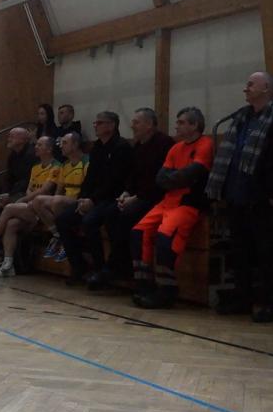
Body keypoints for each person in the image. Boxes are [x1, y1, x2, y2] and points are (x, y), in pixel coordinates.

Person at [206, 71, 273, 323]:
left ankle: (272, 303)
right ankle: (242, 297)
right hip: (237, 194)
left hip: (263, 195)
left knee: (268, 252)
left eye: (251, 84)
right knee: (240, 251)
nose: (245, 88)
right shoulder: (242, 117)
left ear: (266, 89)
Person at [131, 107, 213, 308]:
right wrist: (176, 179)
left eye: (181, 122)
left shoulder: (205, 144)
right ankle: (144, 283)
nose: (176, 126)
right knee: (138, 232)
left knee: (165, 237)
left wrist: (174, 179)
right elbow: (161, 178)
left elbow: (194, 173)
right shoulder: (176, 148)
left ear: (195, 125)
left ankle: (167, 290)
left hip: (188, 203)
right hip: (167, 202)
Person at [88, 107, 174, 289]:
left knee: (124, 216)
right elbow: (132, 176)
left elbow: (160, 180)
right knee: (111, 213)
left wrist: (135, 197)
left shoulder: (165, 144)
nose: (132, 126)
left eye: (136, 122)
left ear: (149, 125)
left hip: (156, 197)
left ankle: (118, 266)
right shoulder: (138, 146)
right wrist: (126, 193)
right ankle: (119, 266)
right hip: (137, 196)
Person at [0, 136, 61, 277]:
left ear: (49, 149)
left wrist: (23, 200)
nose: (36, 147)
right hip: (31, 208)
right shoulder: (35, 168)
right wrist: (26, 200)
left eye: (40, 145)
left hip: (44, 210)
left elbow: (45, 190)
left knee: (9, 208)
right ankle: (8, 265)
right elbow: (29, 189)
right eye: (36, 144)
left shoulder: (56, 167)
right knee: (11, 224)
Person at [56, 111, 134, 286]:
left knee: (90, 221)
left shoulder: (121, 147)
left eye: (99, 123)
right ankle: (79, 266)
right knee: (63, 219)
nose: (95, 126)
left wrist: (92, 200)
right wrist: (82, 198)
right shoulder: (97, 147)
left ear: (111, 125)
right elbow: (90, 178)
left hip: (112, 197)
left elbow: (115, 181)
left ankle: (101, 269)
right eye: (95, 122)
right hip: (94, 198)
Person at [31, 132, 89, 263]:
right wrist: (52, 200)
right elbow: (59, 189)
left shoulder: (86, 162)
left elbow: (88, 188)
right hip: (65, 200)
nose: (61, 146)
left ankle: (67, 237)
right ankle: (58, 235)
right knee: (38, 201)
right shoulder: (65, 165)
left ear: (75, 145)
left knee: (57, 201)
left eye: (65, 143)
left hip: (80, 199)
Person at [0, 127, 37, 237]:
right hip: (15, 189)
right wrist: (5, 193)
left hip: (26, 191)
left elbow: (27, 180)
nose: (8, 139)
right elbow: (8, 178)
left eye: (12, 136)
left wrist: (9, 195)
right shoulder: (13, 155)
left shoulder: (31, 155)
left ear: (23, 139)